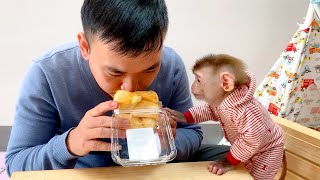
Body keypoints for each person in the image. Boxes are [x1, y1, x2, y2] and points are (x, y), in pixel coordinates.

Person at [5, 0, 231, 176]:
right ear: (85, 47)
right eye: (115, 72)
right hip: (87, 173)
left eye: (150, 69)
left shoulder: (171, 65)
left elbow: (192, 133)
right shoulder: (47, 74)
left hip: (157, 169)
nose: (131, 88)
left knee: (240, 159)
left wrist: (169, 141)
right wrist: (70, 143)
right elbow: (17, 164)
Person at [165, 54, 285, 180]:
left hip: (266, 151)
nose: (193, 86)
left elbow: (252, 139)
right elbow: (210, 110)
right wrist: (184, 117)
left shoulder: (244, 110)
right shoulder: (224, 99)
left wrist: (227, 162)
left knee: (255, 177)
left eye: (199, 80)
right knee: (242, 171)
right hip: (248, 147)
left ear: (226, 82)